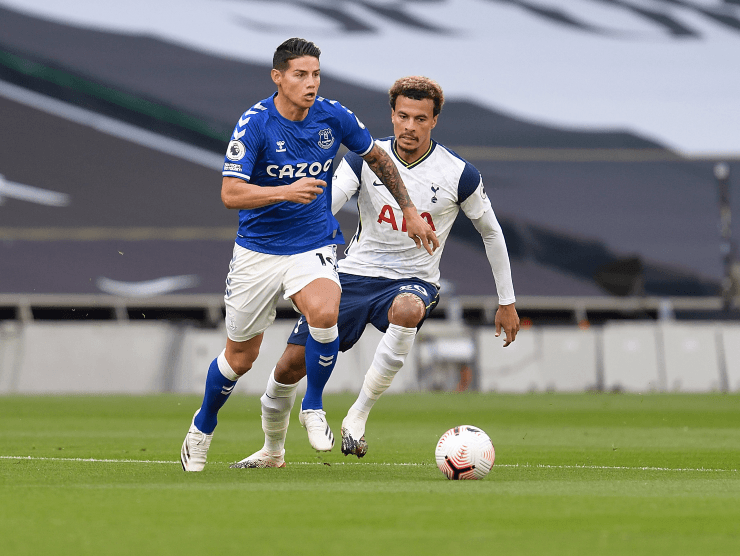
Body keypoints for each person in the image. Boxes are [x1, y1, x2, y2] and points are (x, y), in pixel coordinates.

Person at [231, 76, 519, 469]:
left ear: (434, 120)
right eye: (403, 116)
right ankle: (271, 451)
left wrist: (507, 301)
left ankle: (357, 416)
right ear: (392, 115)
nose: (410, 126)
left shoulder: (459, 173)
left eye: (420, 118)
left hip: (412, 279)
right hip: (352, 275)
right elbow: (326, 206)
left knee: (407, 309)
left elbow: (492, 233)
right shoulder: (363, 159)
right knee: (289, 367)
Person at [180, 40, 438, 472]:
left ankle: (313, 406)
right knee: (240, 359)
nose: (311, 83)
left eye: (316, 74)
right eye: (300, 74)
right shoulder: (255, 124)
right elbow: (230, 194)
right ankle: (202, 425)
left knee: (324, 312)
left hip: (312, 243)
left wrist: (409, 209)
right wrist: (286, 191)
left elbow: (377, 157)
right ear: (278, 77)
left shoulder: (333, 117)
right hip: (258, 251)